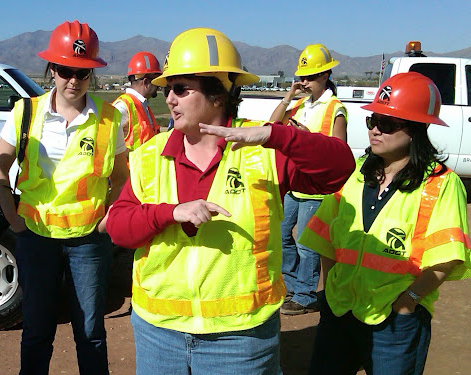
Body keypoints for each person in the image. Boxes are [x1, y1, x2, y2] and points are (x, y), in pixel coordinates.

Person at [105, 27, 355, 374]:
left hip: (240, 342)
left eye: (180, 88)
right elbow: (118, 228)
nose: (170, 99)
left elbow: (339, 169)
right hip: (159, 334)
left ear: (218, 93)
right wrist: (171, 213)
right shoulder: (151, 155)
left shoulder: (263, 151)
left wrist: (274, 134)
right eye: (167, 89)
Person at [299, 72, 471, 375]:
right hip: (340, 310)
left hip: (394, 322)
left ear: (417, 128)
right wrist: (330, 289)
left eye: (388, 124)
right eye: (372, 121)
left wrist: (408, 302)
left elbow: (448, 258)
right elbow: (326, 236)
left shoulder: (441, 184)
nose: (375, 130)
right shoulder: (356, 175)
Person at [0, 20, 128, 375]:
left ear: (91, 74)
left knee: (90, 333)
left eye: (82, 73)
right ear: (52, 69)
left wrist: (107, 217)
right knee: (37, 331)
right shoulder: (26, 113)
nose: (73, 80)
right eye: (65, 70)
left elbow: (121, 177)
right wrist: (12, 214)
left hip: (88, 242)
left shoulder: (109, 119)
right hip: (36, 238)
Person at [269, 44, 347, 315]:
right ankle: (291, 284)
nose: (304, 82)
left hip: (315, 189)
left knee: (307, 242)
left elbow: (340, 150)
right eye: (301, 77)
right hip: (294, 185)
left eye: (310, 77)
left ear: (325, 75)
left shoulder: (334, 107)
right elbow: (273, 126)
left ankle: (305, 294)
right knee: (280, 235)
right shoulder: (301, 105)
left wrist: (306, 137)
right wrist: (288, 96)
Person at [112, 51, 161, 151]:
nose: (158, 85)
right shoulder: (123, 107)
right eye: (156, 80)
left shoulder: (142, 106)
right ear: (146, 82)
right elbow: (106, 143)